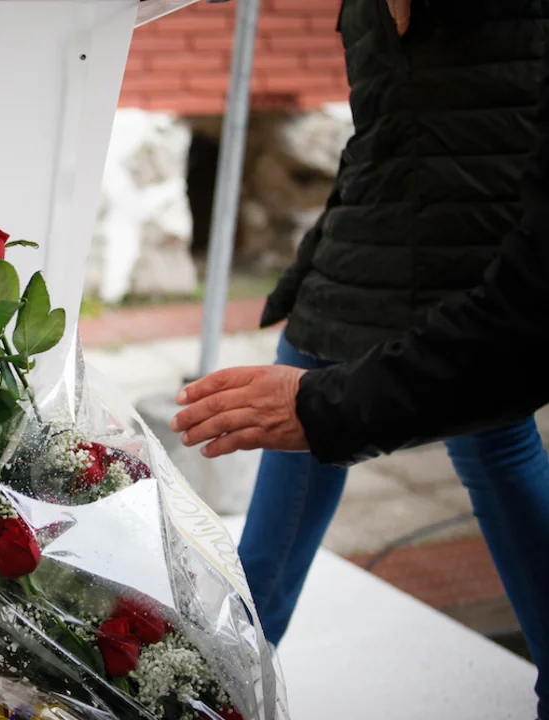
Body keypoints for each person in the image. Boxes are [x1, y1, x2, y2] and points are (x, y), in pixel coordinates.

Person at [173, 0, 549, 715]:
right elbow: (385, 115)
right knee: (310, 421)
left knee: (490, 439)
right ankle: (211, 682)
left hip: (469, 246)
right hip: (376, 238)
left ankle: (212, 683)